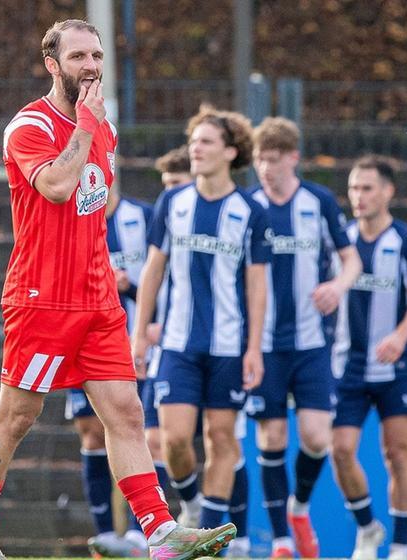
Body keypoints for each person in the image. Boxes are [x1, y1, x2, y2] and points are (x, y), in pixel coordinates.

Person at [0, 19, 236, 560]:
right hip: (42, 297)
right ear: (52, 65)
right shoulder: (29, 127)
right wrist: (85, 127)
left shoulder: (104, 128)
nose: (91, 67)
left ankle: (160, 532)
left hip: (98, 297)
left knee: (127, 413)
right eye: (79, 57)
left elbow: (99, 200)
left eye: (97, 57)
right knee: (17, 416)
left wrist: (94, 135)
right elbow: (59, 188)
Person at [130, 106, 268, 544]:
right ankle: (189, 504)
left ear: (230, 152)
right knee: (172, 441)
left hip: (228, 345)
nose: (196, 149)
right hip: (176, 343)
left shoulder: (249, 211)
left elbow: (256, 286)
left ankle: (208, 534)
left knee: (222, 437)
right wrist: (139, 333)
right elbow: (153, 271)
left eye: (206, 142)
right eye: (193, 141)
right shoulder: (173, 202)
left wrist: (253, 348)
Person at [246, 117, 362, 558]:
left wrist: (338, 285)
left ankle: (299, 507)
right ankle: (280, 540)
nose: (265, 168)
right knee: (271, 437)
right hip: (265, 345)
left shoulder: (318, 201)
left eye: (273, 160)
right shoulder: (249, 205)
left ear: (293, 158)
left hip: (313, 343)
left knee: (316, 438)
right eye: (259, 159)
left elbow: (350, 260)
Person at [330, 156, 407, 560]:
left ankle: (401, 548)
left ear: (388, 192)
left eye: (367, 188)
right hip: (347, 367)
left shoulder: (406, 241)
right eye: (353, 188)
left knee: (397, 453)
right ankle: (367, 528)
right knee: (340, 450)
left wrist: (399, 335)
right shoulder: (342, 241)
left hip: (396, 368)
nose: (358, 196)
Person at [64, 179, 155, 557]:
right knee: (90, 434)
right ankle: (104, 539)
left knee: (141, 430)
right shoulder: (70, 219)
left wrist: (130, 288)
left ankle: (139, 533)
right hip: (85, 342)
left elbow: (166, 277)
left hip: (137, 345)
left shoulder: (143, 217)